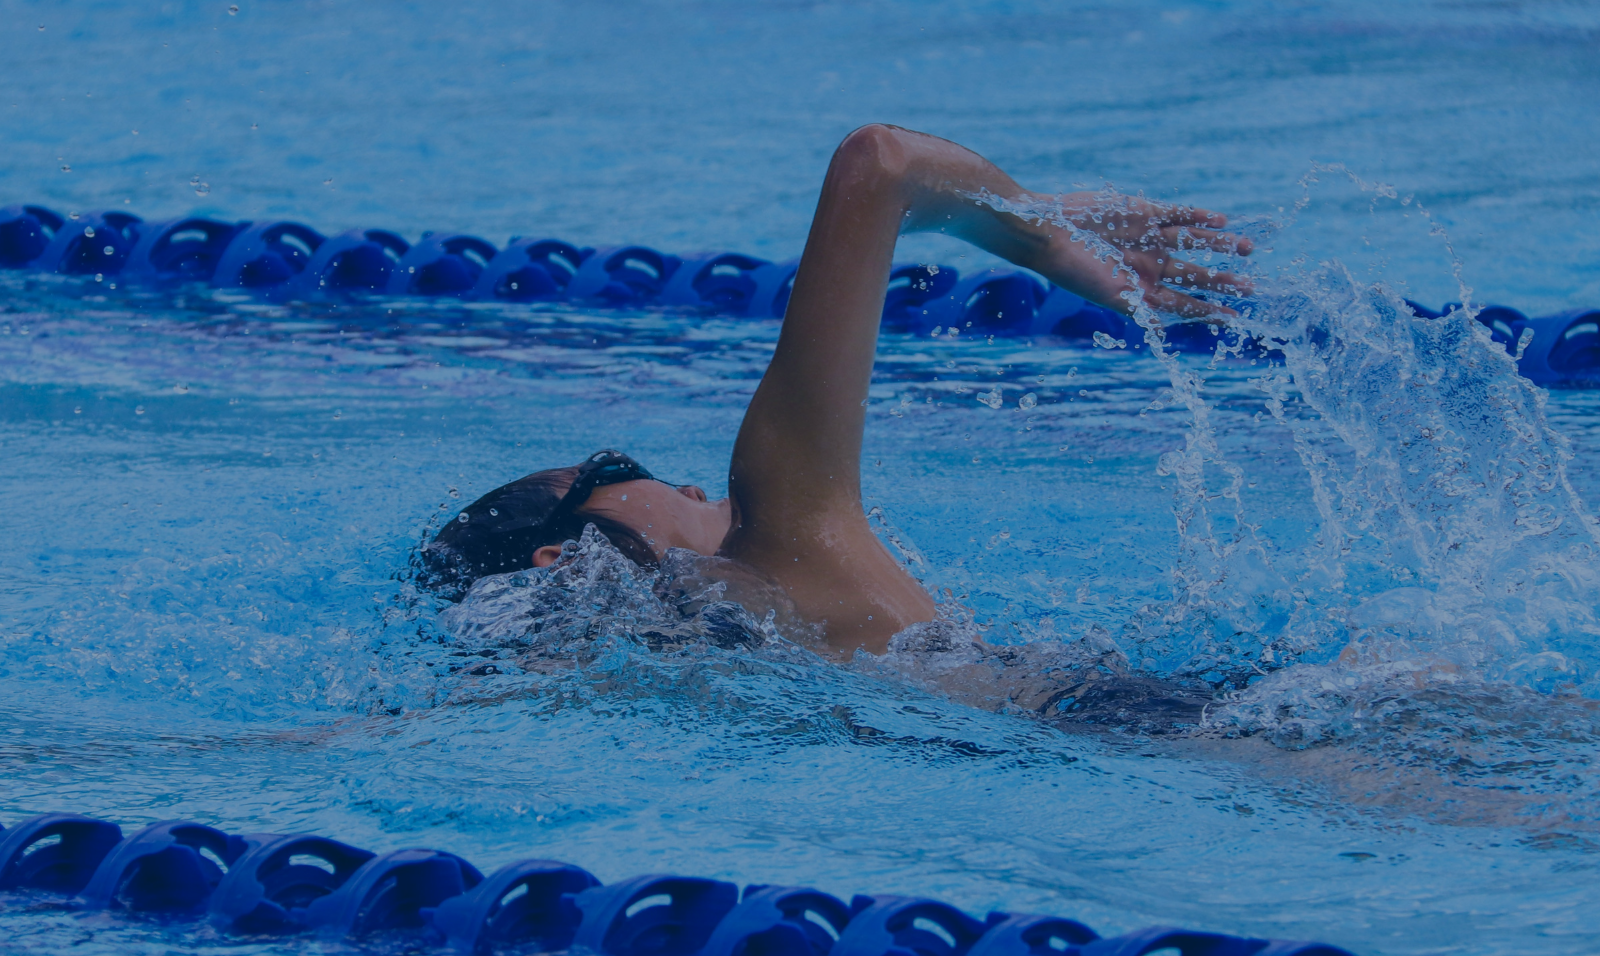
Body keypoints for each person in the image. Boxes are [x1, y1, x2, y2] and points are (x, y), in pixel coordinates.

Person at [422, 124, 1248, 663]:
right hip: (1168, 731)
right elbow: (881, 163)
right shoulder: (777, 527)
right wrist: (1045, 235)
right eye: (618, 468)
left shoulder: (722, 671)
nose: (690, 485)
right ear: (564, 560)